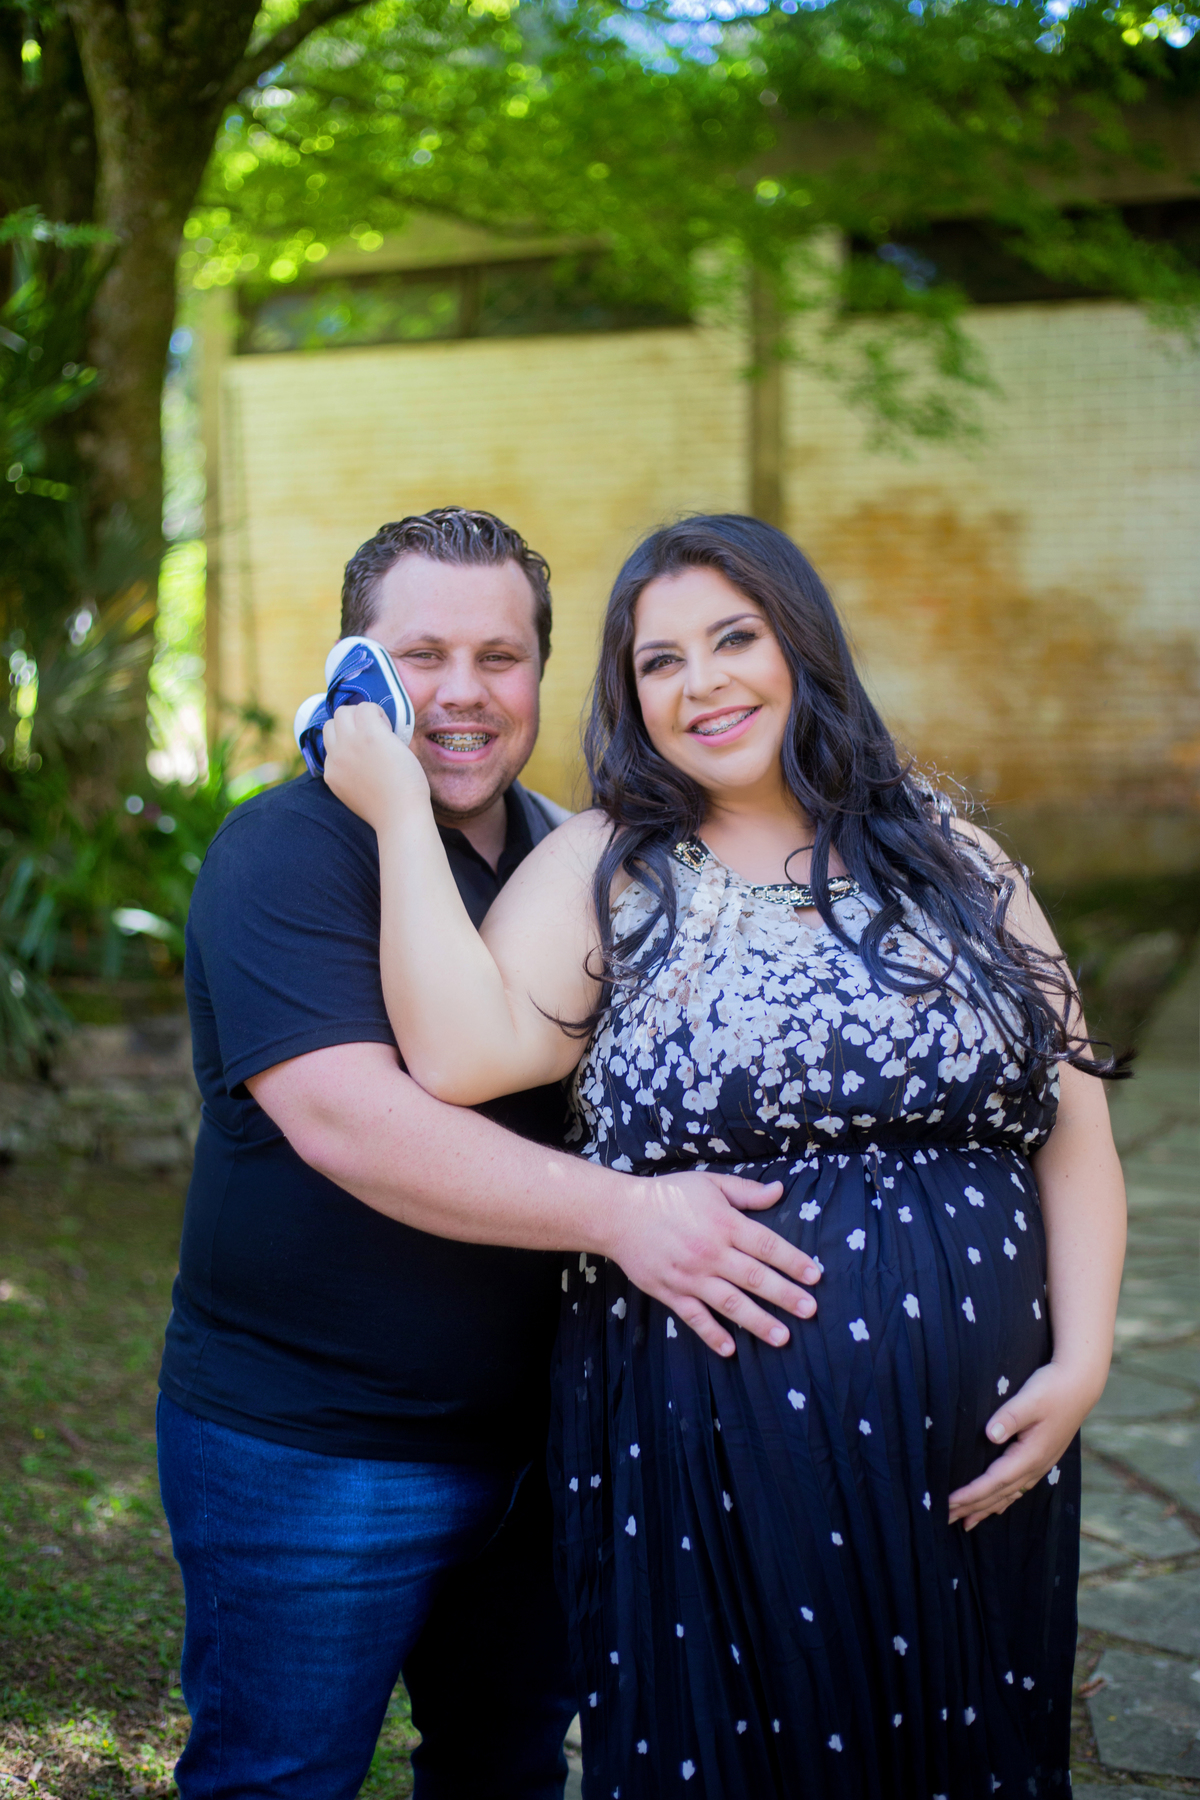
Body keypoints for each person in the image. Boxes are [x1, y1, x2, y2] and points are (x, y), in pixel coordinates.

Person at [322, 513, 1128, 1800]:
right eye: (659, 661)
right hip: (720, 1450)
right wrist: (400, 812)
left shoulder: (954, 853)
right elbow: (456, 1056)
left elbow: (1072, 1119)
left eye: (734, 638)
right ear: (629, 697)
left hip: (978, 1454)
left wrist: (1082, 1363)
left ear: (802, 646)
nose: (702, 683)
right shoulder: (610, 864)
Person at [157, 507, 823, 1800]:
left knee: (509, 1772)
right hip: (319, 1451)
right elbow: (354, 1121)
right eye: (419, 656)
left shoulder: (577, 855)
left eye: (500, 658)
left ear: (545, 674)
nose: (463, 694)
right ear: (353, 677)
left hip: (547, 1449)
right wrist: (629, 1216)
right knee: (278, 1778)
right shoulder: (283, 853)